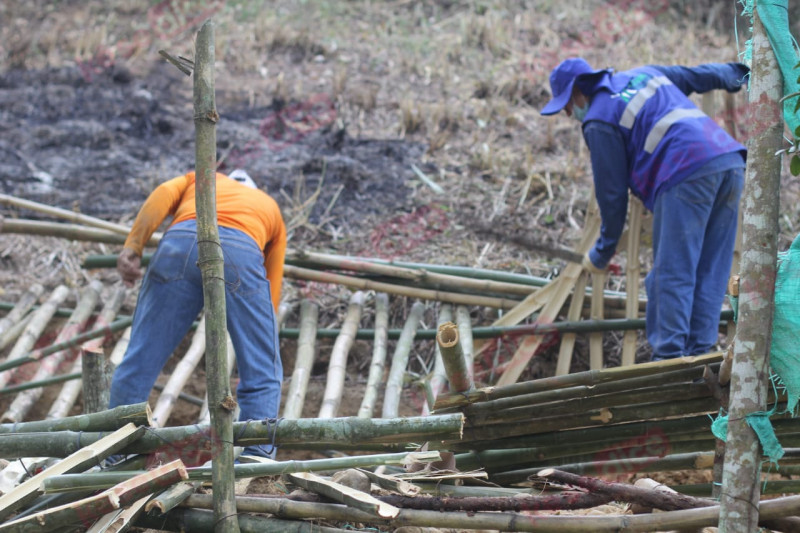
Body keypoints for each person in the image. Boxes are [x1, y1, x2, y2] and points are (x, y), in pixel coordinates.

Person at [541, 58, 748, 361]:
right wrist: (739, 73)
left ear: (577, 93)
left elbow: (612, 195)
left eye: (566, 107)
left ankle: (668, 362)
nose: (569, 114)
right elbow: (695, 75)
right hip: (729, 162)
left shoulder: (598, 119)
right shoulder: (643, 75)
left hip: (685, 171)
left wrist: (602, 252)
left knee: (672, 272)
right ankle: (700, 357)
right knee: (711, 270)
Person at [109, 168, 287, 458]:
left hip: (179, 243)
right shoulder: (269, 207)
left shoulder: (201, 178)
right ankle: (257, 462)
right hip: (241, 250)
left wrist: (133, 246)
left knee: (140, 357)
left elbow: (163, 194)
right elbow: (272, 289)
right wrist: (260, 336)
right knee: (263, 370)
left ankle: (114, 453)